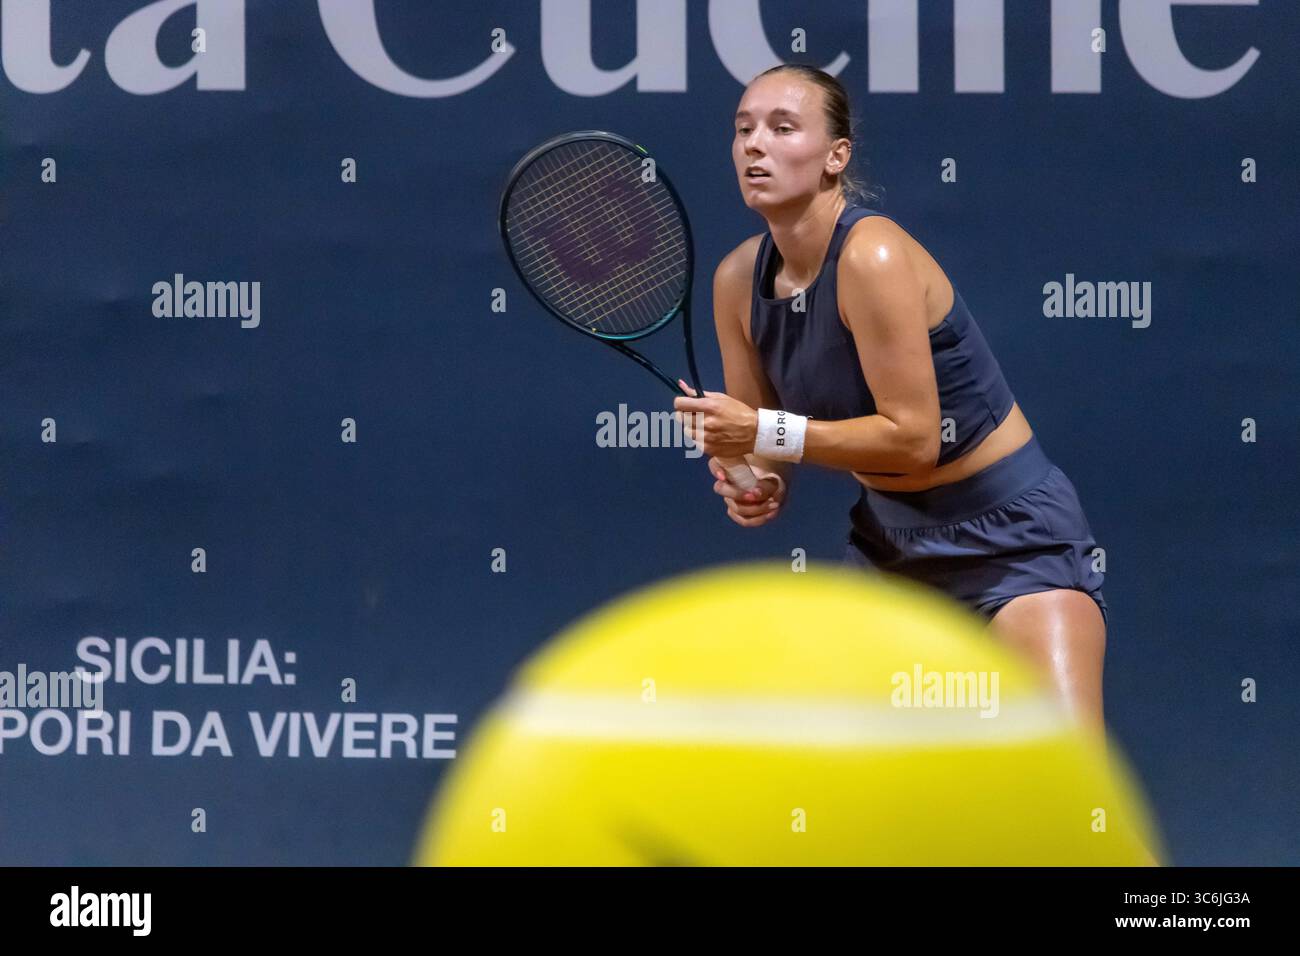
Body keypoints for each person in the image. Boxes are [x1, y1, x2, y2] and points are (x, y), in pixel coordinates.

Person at [673, 64, 1109, 732]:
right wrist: (754, 479)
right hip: (891, 551)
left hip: (1015, 544)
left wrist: (761, 434)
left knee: (1073, 809)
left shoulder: (871, 256)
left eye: (782, 128)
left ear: (835, 156)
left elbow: (912, 442)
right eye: (743, 130)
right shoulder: (737, 280)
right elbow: (767, 447)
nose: (754, 145)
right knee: (861, 797)